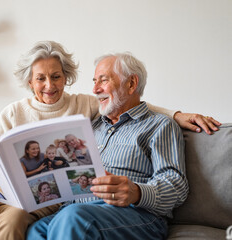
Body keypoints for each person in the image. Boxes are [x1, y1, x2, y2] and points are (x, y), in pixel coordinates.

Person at [0, 41, 220, 240]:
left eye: (104, 80)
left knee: (54, 217)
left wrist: (176, 115)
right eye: (40, 78)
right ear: (29, 81)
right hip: (12, 197)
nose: (49, 85)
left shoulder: (143, 122)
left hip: (122, 211)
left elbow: (173, 181)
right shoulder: (95, 123)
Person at [26, 52, 193, 239]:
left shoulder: (159, 126)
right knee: (36, 229)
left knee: (72, 218)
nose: (95, 89)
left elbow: (176, 185)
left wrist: (137, 192)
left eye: (103, 81)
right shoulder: (91, 126)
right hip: (78, 209)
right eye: (94, 81)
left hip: (135, 214)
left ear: (131, 84)